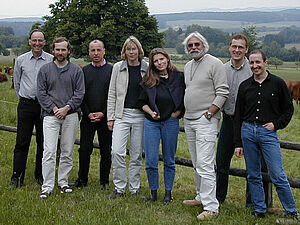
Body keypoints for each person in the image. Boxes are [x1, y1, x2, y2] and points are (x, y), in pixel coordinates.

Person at [234, 50, 299, 219]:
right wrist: (238, 143)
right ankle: (259, 209)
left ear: (265, 63)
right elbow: (238, 115)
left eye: (258, 62)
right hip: (247, 131)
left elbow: (288, 109)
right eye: (252, 63)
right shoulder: (245, 86)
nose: (255, 66)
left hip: (267, 133)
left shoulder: (277, 83)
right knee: (253, 174)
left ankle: (291, 211)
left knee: (277, 173)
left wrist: (276, 124)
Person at [182, 31, 229, 220]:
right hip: (189, 119)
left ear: (204, 46)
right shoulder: (187, 66)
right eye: (190, 45)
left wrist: (210, 112)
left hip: (206, 120)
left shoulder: (215, 63)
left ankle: (211, 207)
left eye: (197, 44)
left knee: (205, 163)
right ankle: (201, 196)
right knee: (196, 162)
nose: (193, 48)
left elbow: (223, 92)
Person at [37, 37, 85, 198]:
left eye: (63, 49)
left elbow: (79, 93)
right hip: (50, 116)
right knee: (49, 151)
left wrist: (66, 108)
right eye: (57, 49)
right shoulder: (45, 70)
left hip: (70, 115)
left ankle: (63, 182)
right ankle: (47, 185)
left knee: (67, 150)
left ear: (69, 51)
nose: (60, 52)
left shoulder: (76, 70)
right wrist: (54, 108)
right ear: (53, 50)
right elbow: (41, 93)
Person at [138, 48, 185, 204]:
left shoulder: (179, 77)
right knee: (151, 159)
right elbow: (142, 102)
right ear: (152, 64)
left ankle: (168, 193)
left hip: (170, 122)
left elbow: (186, 97)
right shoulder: (148, 80)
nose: (159, 63)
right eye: (156, 61)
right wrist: (151, 112)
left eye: (161, 59)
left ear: (167, 59)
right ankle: (153, 192)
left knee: (169, 159)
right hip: (152, 122)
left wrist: (177, 114)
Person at [10, 29, 53, 189]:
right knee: (22, 142)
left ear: (44, 42)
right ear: (29, 41)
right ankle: (17, 176)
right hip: (26, 105)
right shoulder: (21, 60)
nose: (37, 43)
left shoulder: (50, 60)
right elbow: (17, 82)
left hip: (44, 106)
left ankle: (40, 175)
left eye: (40, 40)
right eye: (34, 40)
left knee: (43, 142)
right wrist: (24, 97)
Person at [107, 36, 148, 199]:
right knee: (117, 151)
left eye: (134, 49)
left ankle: (134, 188)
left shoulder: (147, 67)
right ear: (124, 52)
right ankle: (119, 187)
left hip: (140, 115)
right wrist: (111, 117)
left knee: (137, 154)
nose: (131, 52)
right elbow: (112, 93)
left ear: (139, 51)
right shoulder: (118, 67)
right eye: (128, 49)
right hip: (121, 114)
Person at [70, 40, 113, 190]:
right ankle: (82, 179)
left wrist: (104, 113)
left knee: (106, 151)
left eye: (98, 50)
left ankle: (104, 182)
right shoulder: (84, 71)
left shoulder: (112, 71)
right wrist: (87, 113)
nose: (95, 53)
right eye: (93, 50)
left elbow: (113, 95)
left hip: (105, 117)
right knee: (84, 149)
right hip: (88, 117)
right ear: (89, 52)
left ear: (104, 51)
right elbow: (81, 94)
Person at [216, 34, 252, 205]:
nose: (237, 50)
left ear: (246, 50)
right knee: (221, 162)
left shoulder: (253, 70)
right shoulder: (221, 69)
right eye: (234, 47)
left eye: (241, 47)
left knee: (252, 165)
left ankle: (252, 203)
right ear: (229, 48)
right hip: (228, 121)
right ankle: (218, 198)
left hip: (248, 123)